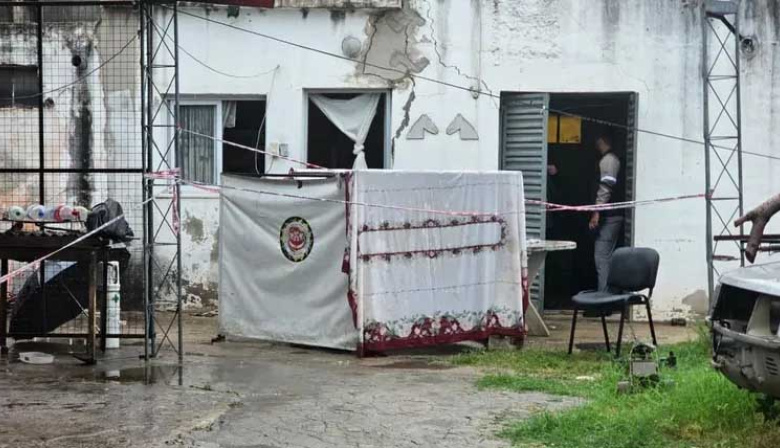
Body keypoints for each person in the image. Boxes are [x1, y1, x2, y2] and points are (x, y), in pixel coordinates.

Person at [589, 135, 624, 291]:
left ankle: (603, 300)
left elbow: (605, 189)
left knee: (601, 257)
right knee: (605, 257)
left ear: (601, 140)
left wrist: (596, 213)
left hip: (609, 217)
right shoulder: (609, 159)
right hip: (610, 215)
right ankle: (606, 297)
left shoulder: (609, 160)